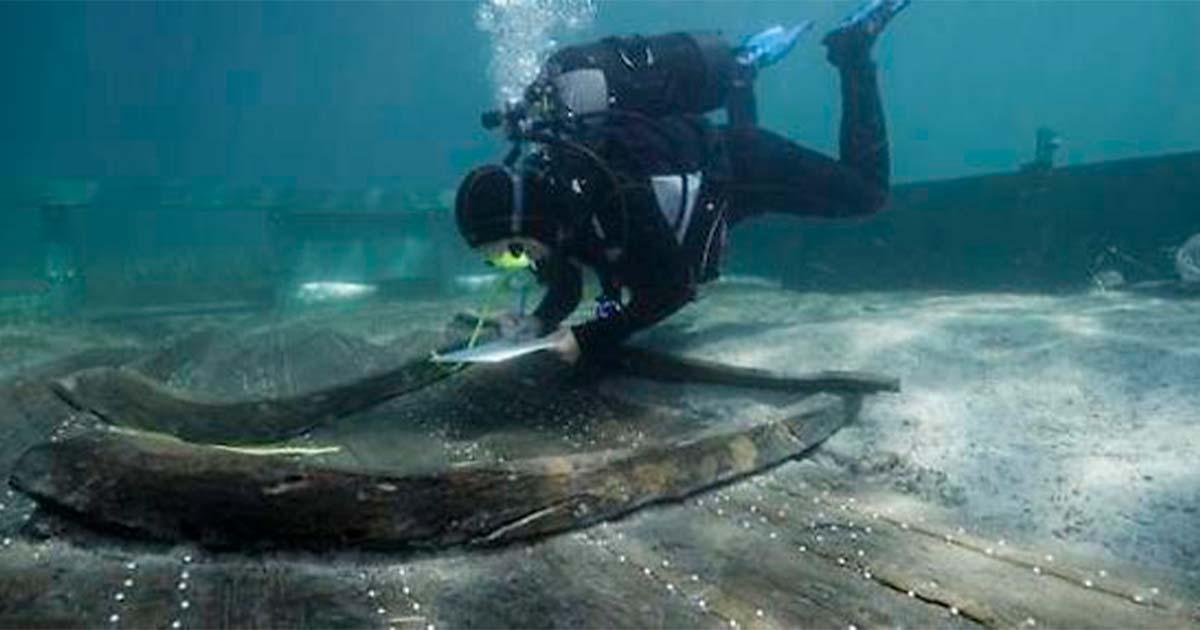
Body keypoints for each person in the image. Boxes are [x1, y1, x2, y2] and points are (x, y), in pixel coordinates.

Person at [455, 0, 908, 366]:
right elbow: (566, 285)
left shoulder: (610, 191)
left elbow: (673, 288)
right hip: (707, 186)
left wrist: (587, 339)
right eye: (505, 262)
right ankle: (741, 74)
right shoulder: (551, 208)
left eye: (511, 252)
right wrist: (535, 325)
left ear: (523, 222)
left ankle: (853, 54)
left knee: (867, 194)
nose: (517, 263)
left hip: (737, 165)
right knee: (736, 216)